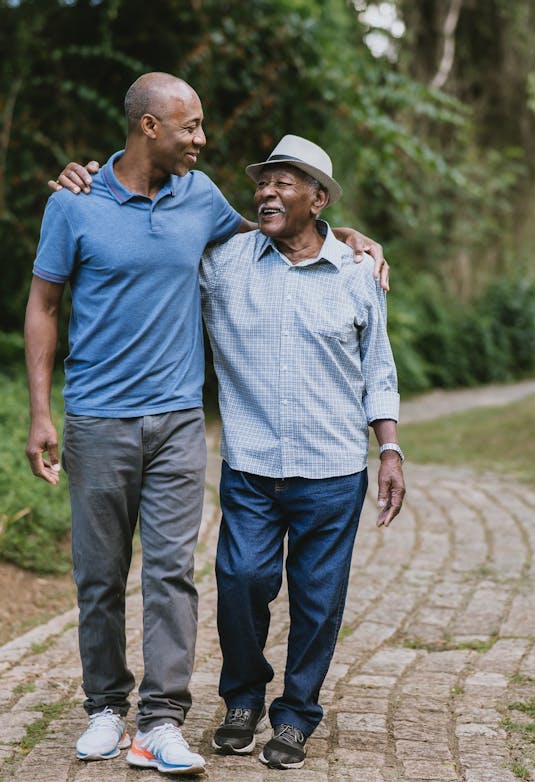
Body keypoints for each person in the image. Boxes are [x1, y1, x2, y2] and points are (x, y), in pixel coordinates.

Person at [27, 73, 387, 775]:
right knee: (98, 576)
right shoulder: (73, 204)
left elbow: (276, 235)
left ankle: (160, 721)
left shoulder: (200, 198)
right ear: (148, 128)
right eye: (188, 126)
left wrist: (343, 233)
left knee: (172, 575)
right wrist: (41, 411)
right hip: (96, 418)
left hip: (178, 422)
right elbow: (43, 305)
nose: (201, 138)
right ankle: (105, 705)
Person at [200, 135, 405, 770]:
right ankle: (242, 699)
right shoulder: (226, 262)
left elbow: (379, 369)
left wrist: (390, 448)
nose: (267, 191)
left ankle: (295, 717)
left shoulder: (355, 273)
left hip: (334, 469)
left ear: (316, 200)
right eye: (264, 182)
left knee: (318, 601)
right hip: (252, 466)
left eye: (285, 183)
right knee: (240, 582)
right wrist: (90, 178)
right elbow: (151, 216)